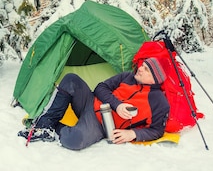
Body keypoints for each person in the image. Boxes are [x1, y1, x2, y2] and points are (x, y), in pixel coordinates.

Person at [18, 57, 171, 150]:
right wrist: (116, 105)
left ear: (155, 79)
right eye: (142, 65)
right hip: (89, 102)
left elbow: (157, 130)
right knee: (71, 79)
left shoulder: (159, 102)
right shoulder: (127, 77)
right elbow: (100, 88)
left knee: (74, 140)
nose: (140, 69)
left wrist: (132, 134)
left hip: (101, 125)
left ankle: (56, 128)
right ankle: (44, 126)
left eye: (146, 70)